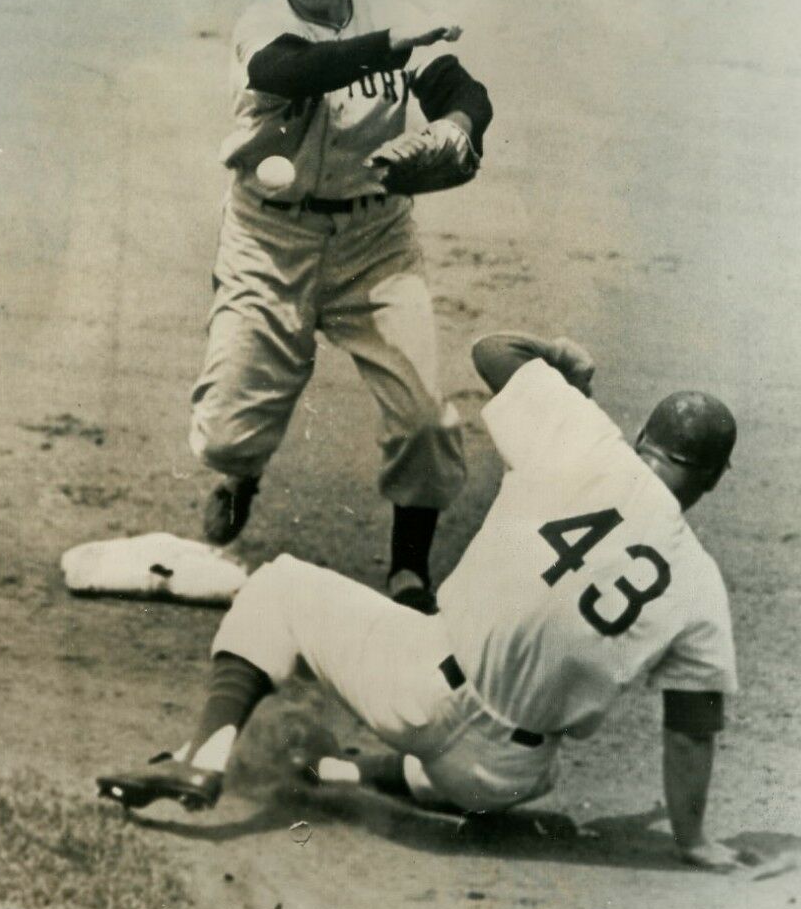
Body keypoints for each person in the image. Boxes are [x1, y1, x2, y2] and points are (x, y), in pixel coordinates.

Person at [102, 332, 747, 872]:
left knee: (277, 586)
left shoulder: (584, 438)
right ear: (714, 481)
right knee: (532, 769)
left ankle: (202, 758)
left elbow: (491, 351)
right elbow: (692, 730)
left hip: (414, 686)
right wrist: (693, 840)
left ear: (641, 438)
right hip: (505, 774)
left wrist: (560, 366)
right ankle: (344, 775)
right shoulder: (702, 585)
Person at [189, 0, 493, 612]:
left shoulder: (399, 14)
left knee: (423, 416)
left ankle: (409, 570)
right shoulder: (263, 23)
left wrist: (456, 125)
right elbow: (292, 73)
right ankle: (239, 476)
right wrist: (390, 45)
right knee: (229, 431)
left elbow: (461, 88)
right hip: (269, 241)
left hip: (375, 243)